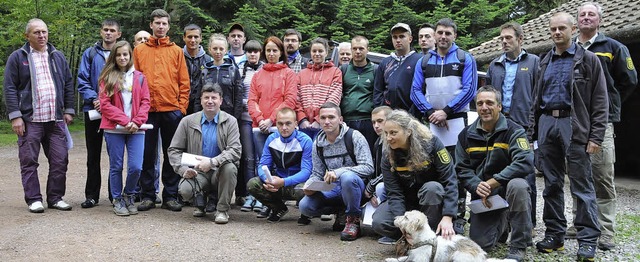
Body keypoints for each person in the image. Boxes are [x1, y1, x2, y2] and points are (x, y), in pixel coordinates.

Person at [531, 12, 608, 262]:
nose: (556, 33)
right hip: (547, 124)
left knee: (581, 185)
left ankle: (587, 240)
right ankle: (555, 235)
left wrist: (596, 136)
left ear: (573, 29)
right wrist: (534, 132)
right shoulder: (544, 61)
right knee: (551, 184)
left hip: (573, 126)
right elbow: (535, 100)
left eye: (562, 28)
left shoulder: (588, 60)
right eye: (553, 29)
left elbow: (600, 100)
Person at [565, 2, 638, 251]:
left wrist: (609, 105)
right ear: (576, 21)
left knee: (602, 176)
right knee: (577, 174)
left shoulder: (613, 48)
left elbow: (629, 82)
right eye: (582, 14)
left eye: (591, 14)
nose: (586, 17)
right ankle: (579, 223)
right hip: (573, 122)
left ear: (600, 20)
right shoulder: (569, 47)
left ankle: (606, 230)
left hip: (600, 122)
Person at [410, 17, 478, 234]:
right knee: (432, 167)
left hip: (457, 121)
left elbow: (469, 89)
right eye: (440, 32)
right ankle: (435, 215)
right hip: (431, 123)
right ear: (435, 34)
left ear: (454, 36)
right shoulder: (424, 61)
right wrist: (431, 113)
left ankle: (458, 216)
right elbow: (415, 91)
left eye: (448, 33)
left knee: (457, 169)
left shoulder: (465, 58)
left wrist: (446, 111)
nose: (443, 37)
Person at [3, 18, 75, 212]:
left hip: (55, 119)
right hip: (30, 120)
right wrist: (15, 116)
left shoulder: (57, 56)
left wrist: (69, 109)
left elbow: (68, 84)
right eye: (36, 32)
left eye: (44, 32)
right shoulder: (18, 57)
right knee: (29, 161)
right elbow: (9, 88)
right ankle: (34, 199)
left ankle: (55, 197)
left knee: (60, 160)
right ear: (27, 36)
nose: (41, 36)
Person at [456, 86, 534, 261]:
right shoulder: (465, 135)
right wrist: (477, 185)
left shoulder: (514, 130)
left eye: (490, 103)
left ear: (499, 106)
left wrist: (494, 181)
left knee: (519, 185)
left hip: (507, 188)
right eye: (480, 103)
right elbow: (461, 168)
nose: (484, 107)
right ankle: (502, 224)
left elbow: (525, 161)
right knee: (480, 243)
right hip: (484, 194)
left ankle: (519, 245)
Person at [371, 110, 458, 245]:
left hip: (432, 201)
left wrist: (448, 217)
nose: (388, 138)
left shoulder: (432, 143)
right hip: (407, 203)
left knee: (433, 188)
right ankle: (408, 239)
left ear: (409, 131)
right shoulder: (387, 154)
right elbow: (394, 193)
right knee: (379, 222)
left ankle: (431, 237)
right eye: (386, 133)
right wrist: (403, 226)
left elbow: (450, 181)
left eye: (393, 133)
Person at [133, 9, 190, 212]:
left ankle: (170, 195)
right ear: (151, 25)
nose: (160, 26)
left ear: (168, 26)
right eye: (157, 23)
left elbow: (184, 82)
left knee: (172, 154)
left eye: (164, 23)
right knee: (147, 154)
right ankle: (148, 195)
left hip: (171, 110)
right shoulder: (139, 51)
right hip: (146, 112)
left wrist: (181, 108)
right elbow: (134, 81)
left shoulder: (176, 51)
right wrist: (137, 109)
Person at [486, 21, 540, 230]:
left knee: (526, 175)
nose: (504, 42)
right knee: (498, 172)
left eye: (508, 37)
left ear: (520, 39)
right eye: (502, 38)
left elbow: (538, 97)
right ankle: (502, 222)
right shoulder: (495, 65)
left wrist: (533, 128)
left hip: (523, 126)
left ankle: (529, 223)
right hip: (499, 126)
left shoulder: (534, 62)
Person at [299, 102, 374, 241]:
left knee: (347, 178)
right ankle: (341, 212)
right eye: (323, 118)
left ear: (340, 119)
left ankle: (353, 220)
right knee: (305, 206)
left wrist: (339, 172)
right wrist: (309, 185)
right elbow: (317, 172)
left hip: (357, 188)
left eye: (331, 117)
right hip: (333, 188)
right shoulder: (318, 143)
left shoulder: (354, 136)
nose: (327, 121)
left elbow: (368, 167)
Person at [169, 83, 241, 224]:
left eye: (214, 98)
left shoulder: (231, 121)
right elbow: (174, 150)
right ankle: (199, 202)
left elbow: (235, 150)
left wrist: (213, 162)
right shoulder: (187, 121)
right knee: (184, 189)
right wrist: (183, 170)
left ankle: (221, 210)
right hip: (197, 171)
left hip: (219, 169)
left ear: (221, 100)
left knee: (230, 168)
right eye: (206, 97)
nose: (210, 101)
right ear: (200, 100)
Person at [248, 36, 300, 217]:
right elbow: (252, 100)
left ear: (281, 53)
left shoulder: (289, 74)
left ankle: (281, 199)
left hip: (279, 127)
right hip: (259, 127)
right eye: (268, 50)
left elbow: (290, 99)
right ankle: (269, 202)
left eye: (275, 50)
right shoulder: (258, 75)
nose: (271, 54)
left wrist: (271, 119)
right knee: (264, 166)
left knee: (281, 166)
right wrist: (260, 118)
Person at [98, 41, 151, 216]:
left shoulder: (140, 77)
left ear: (130, 56)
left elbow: (145, 102)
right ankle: (117, 199)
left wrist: (136, 121)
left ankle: (129, 194)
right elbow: (105, 105)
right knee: (116, 166)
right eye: (119, 55)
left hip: (136, 129)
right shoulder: (107, 77)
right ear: (114, 56)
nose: (122, 58)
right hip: (114, 129)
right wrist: (124, 120)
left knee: (136, 166)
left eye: (125, 54)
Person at [77, 19, 122, 208]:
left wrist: (111, 104)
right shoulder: (90, 53)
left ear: (119, 34)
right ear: (100, 32)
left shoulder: (122, 53)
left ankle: (115, 195)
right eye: (106, 30)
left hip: (116, 112)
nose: (109, 33)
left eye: (112, 30)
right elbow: (82, 80)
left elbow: (129, 81)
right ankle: (92, 195)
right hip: (93, 110)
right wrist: (95, 99)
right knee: (93, 155)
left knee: (115, 155)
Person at [247, 107, 313, 223]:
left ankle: (306, 213)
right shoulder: (271, 139)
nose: (284, 128)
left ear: (295, 124)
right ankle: (278, 208)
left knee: (305, 189)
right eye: (280, 124)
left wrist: (283, 181)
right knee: (252, 184)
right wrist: (267, 179)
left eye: (288, 123)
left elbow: (306, 172)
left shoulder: (305, 141)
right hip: (277, 181)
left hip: (297, 183)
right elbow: (263, 165)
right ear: (276, 124)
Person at [238, 40, 265, 213]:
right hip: (245, 118)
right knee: (248, 159)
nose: (252, 54)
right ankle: (250, 194)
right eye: (249, 52)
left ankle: (262, 194)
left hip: (262, 120)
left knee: (262, 158)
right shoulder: (240, 70)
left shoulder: (265, 70)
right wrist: (247, 104)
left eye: (255, 51)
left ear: (260, 52)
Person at [297, 37, 343, 140]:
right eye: (314, 51)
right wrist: (302, 119)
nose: (317, 54)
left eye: (320, 51)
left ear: (326, 52)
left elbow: (334, 98)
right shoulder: (301, 74)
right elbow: (297, 98)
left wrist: (319, 120)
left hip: (324, 124)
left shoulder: (335, 72)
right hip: (304, 125)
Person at [373, 23, 422, 116]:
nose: (398, 40)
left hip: (412, 115)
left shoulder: (418, 60)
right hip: (388, 115)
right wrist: (382, 112)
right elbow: (377, 90)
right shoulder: (385, 62)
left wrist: (414, 114)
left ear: (410, 39)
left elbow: (422, 89)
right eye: (395, 37)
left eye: (402, 36)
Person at [340, 35, 378, 153]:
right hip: (348, 120)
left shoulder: (375, 70)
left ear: (367, 49)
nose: (357, 52)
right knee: (349, 154)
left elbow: (378, 95)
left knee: (370, 153)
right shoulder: (343, 70)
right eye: (354, 48)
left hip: (368, 120)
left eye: (361, 48)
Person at [364, 105, 393, 244]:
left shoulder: (393, 141)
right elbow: (377, 171)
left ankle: (392, 230)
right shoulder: (378, 142)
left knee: (381, 187)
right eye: (373, 122)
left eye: (380, 121)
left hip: (397, 188)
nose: (376, 126)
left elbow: (390, 172)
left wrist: (372, 187)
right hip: (382, 187)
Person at [202, 33, 242, 120]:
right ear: (209, 49)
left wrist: (235, 118)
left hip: (228, 115)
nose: (218, 52)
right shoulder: (205, 71)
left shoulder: (233, 70)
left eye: (221, 49)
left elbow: (238, 97)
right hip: (207, 115)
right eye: (215, 48)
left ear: (226, 50)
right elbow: (199, 96)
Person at [183, 24, 213, 115]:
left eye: (196, 37)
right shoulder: (178, 57)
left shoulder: (208, 60)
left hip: (200, 105)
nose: (193, 40)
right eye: (189, 37)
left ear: (200, 38)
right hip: (180, 103)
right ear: (184, 38)